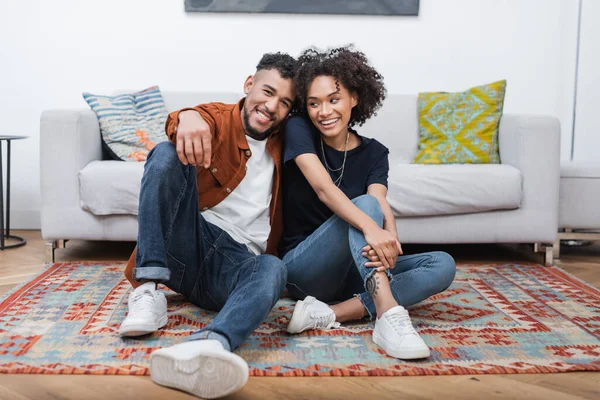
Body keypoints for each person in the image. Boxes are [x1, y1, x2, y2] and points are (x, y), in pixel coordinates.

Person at [119, 52, 297, 399]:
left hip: (235, 266)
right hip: (190, 242)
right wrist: (185, 116)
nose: (271, 105)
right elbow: (189, 120)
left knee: (274, 268)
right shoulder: (220, 118)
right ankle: (148, 289)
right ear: (249, 85)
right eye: (267, 91)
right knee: (167, 153)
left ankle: (212, 343)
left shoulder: (290, 142)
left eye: (284, 102)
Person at [280, 46, 456, 360]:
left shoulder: (375, 152)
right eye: (314, 103)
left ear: (354, 99)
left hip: (356, 266)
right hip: (303, 268)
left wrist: (390, 239)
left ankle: (331, 313)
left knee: (442, 264)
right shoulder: (299, 129)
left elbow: (380, 202)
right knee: (364, 207)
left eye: (334, 100)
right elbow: (323, 188)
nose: (324, 111)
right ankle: (387, 313)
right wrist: (371, 227)